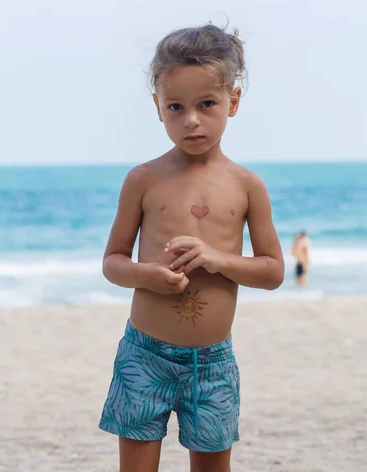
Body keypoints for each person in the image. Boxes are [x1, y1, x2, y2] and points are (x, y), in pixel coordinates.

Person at [98, 23, 285, 472]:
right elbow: (113, 262)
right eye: (175, 107)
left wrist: (219, 260)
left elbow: (274, 270)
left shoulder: (246, 186)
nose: (192, 120)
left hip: (214, 363)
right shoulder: (143, 179)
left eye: (207, 104)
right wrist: (147, 276)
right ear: (158, 109)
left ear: (232, 102)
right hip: (144, 355)